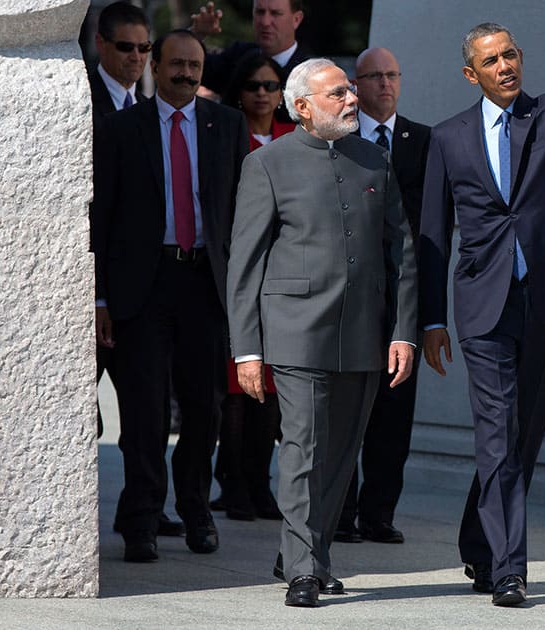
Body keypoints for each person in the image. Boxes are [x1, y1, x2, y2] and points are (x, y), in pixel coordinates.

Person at [418, 22, 545, 606]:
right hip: (483, 307)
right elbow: (433, 233)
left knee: (522, 437)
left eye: (511, 55)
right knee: (496, 434)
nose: (504, 65)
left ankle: (480, 544)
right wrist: (431, 320)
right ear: (470, 73)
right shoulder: (448, 137)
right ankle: (510, 568)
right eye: (491, 59)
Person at [226, 58, 418, 608]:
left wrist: (403, 332)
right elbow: (246, 263)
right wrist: (247, 348)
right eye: (338, 93)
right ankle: (304, 570)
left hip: (363, 333)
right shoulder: (266, 164)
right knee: (303, 449)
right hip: (294, 332)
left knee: (340, 455)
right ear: (303, 105)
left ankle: (308, 554)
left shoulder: (375, 161)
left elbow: (401, 252)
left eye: (351, 90)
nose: (353, 99)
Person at [92, 28, 250, 563]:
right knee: (145, 412)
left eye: (195, 65)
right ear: (155, 66)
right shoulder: (121, 129)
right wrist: (100, 300)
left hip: (205, 283)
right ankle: (140, 520)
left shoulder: (225, 125)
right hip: (144, 284)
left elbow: (239, 210)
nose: (186, 73)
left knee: (205, 408)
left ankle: (196, 513)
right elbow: (103, 217)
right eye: (176, 64)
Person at [89, 1, 185, 539]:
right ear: (102, 45)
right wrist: (97, 295)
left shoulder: (153, 108)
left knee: (148, 414)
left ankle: (143, 515)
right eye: (125, 47)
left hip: (149, 289)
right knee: (84, 413)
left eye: (144, 49)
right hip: (95, 285)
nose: (135, 58)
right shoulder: (80, 98)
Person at [335, 46, 430, 545]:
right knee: (351, 406)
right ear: (356, 83)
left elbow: (436, 226)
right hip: (352, 292)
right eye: (374, 77)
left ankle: (379, 513)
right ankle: (343, 512)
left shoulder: (424, 140)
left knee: (395, 413)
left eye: (393, 75)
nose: (385, 85)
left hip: (404, 294)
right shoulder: (342, 141)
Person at [210, 52, 294, 521]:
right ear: (239, 92)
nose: (262, 92)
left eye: (271, 84)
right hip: (237, 271)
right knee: (236, 386)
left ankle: (260, 485)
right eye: (253, 85)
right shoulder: (226, 133)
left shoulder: (293, 137)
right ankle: (235, 485)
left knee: (272, 388)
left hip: (282, 276)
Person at [191, 0, 308, 95]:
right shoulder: (237, 57)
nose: (265, 22)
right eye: (260, 12)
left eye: (276, 13)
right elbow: (192, 69)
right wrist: (195, 35)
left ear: (296, 19)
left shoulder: (312, 74)